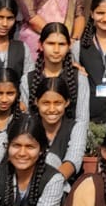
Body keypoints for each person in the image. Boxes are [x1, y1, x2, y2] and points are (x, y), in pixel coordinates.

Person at [30, 25, 90, 185]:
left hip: (68, 144)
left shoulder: (79, 78)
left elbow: (82, 120)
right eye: (51, 43)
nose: (56, 50)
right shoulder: (28, 79)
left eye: (62, 44)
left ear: (69, 46)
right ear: (40, 45)